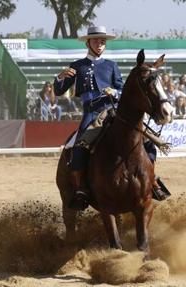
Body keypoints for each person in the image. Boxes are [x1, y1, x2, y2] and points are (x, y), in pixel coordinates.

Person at [53, 26, 167, 210]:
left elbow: (123, 90)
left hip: (113, 111)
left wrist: (114, 91)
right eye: (97, 40)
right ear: (88, 43)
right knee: (80, 145)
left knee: (147, 142)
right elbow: (59, 91)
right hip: (91, 114)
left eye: (103, 41)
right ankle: (81, 188)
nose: (100, 44)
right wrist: (59, 78)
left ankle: (152, 181)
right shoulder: (77, 66)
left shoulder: (111, 65)